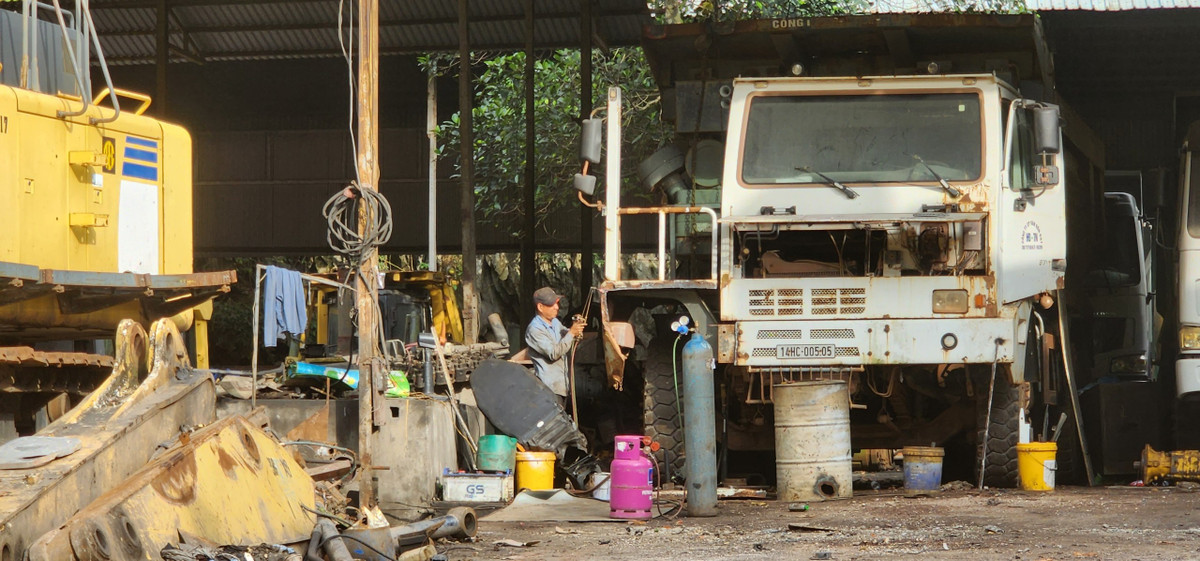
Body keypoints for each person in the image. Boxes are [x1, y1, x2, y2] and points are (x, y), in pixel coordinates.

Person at [525, 286, 584, 408]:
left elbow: (567, 335)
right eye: (552, 305)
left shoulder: (555, 322)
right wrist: (572, 333)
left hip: (562, 386)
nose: (557, 307)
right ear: (540, 307)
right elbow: (554, 353)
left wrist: (576, 328)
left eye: (557, 304)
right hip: (549, 389)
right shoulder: (535, 330)